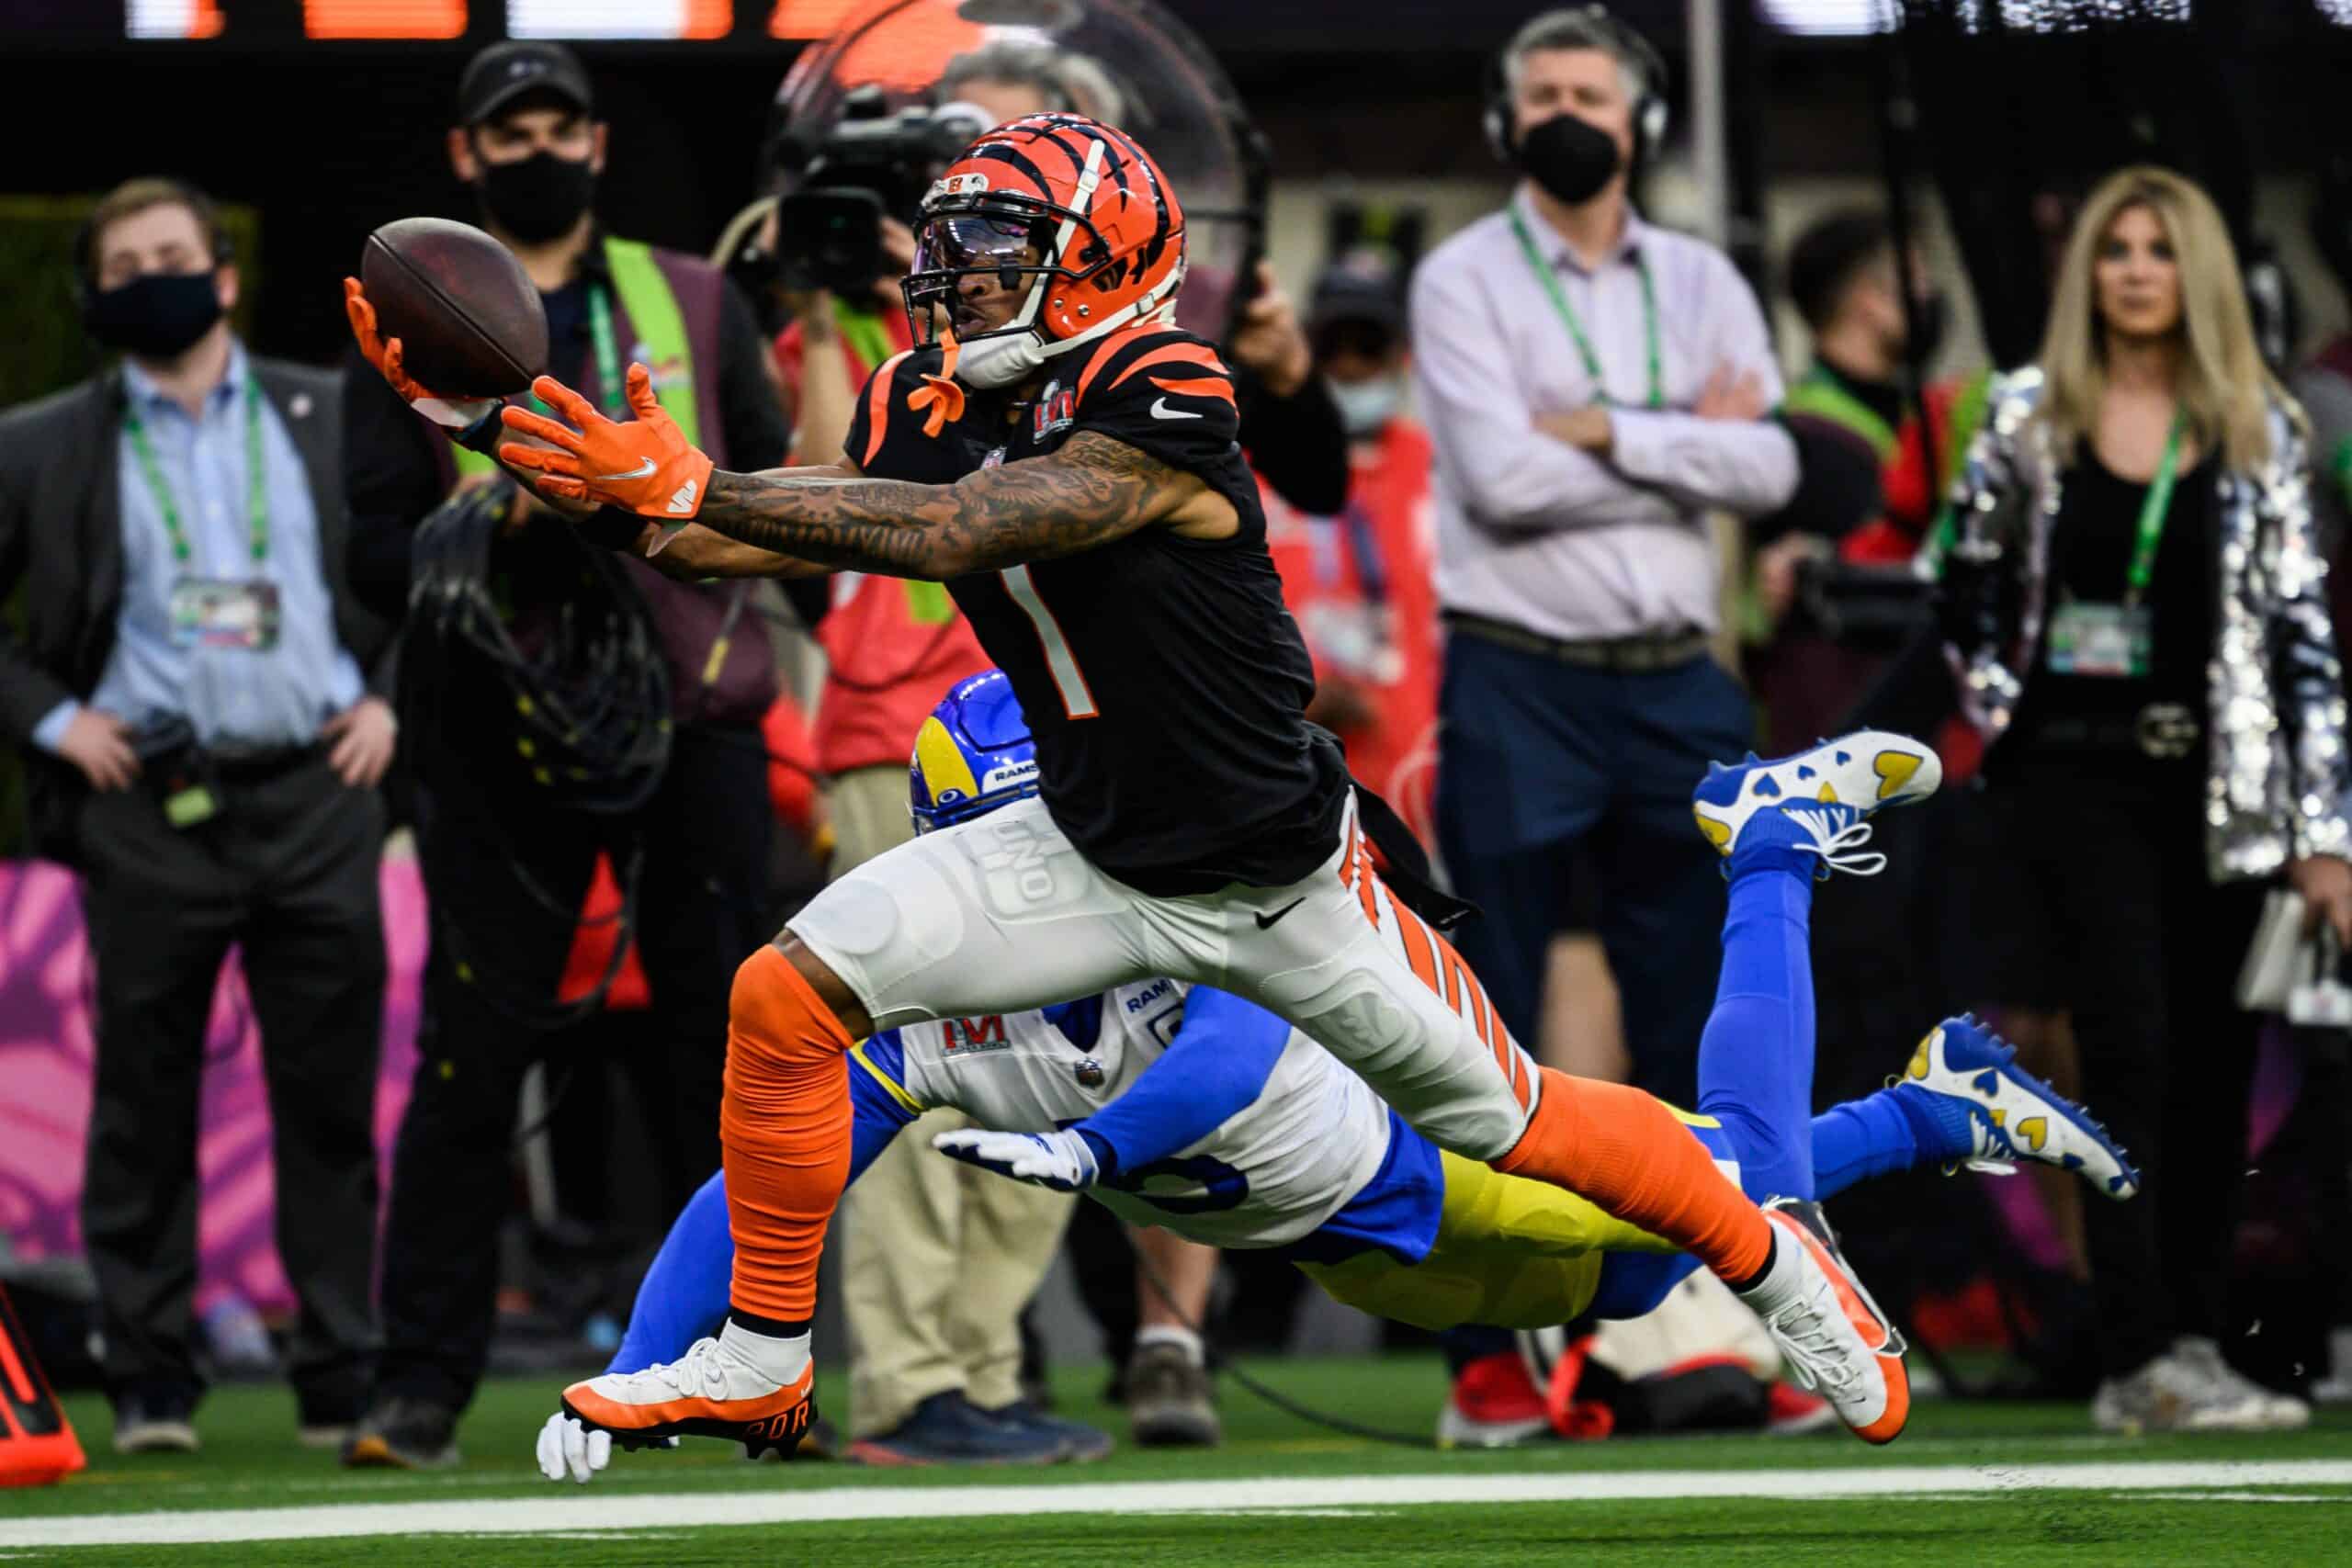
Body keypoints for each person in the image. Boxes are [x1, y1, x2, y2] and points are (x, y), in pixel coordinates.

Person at [363, 108, 1920, 1453]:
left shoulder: (1171, 390)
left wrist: (702, 481)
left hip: (1277, 875)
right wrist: (525, 435)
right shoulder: (934, 389)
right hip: (1091, 845)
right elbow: (756, 531)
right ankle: (763, 1357)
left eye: (998, 250)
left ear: (1100, 262)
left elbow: (965, 529)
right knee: (784, 998)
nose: (956, 276)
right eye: (953, 246)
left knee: (1521, 1122)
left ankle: (1779, 1265)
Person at [531, 671, 2139, 1482]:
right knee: (1666, 1255)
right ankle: (1934, 1102)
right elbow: (763, 1178)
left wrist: (1096, 1149)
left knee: (1741, 1196)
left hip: (1439, 1157)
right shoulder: (931, 1005)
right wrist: (649, 1362)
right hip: (1354, 1242)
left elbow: (1227, 1049)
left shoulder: (1176, 895)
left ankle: (1772, 847)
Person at [772, 47, 1347, 1464]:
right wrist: (832, 300)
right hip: (902, 704)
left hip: (1081, 723)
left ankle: (977, 1364)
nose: (973, 215)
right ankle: (910, 1378)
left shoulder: (1132, 341)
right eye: (957, 168)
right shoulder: (871, 305)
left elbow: (1299, 468)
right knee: (914, 1042)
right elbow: (808, 501)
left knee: (1064, 1053)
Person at [337, 40, 791, 1468]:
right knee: (470, 1057)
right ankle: (418, 1388)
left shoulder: (697, 297)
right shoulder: (402, 314)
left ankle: (743, 1372)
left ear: (597, 143)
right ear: (465, 156)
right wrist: (502, 515)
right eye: (510, 129)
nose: (538, 147)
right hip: (496, 731)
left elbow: (778, 499)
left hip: (699, 713)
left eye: (559, 125)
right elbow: (369, 555)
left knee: (725, 1054)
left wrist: (659, 501)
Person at [1939, 164, 2352, 1433]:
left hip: (2218, 793)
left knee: (2217, 1071)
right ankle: (2132, 1352)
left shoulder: (2257, 424)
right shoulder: (2025, 414)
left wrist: (2325, 833)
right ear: (2088, 272)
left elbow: (2301, 638)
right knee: (2126, 1047)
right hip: (2071, 784)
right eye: (2115, 248)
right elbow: (1963, 591)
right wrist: (2009, 716)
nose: (2133, 270)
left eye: (2158, 250)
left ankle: (2195, 1341)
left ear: (2198, 273)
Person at [0, 177, 394, 1454]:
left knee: (328, 1101)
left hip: (318, 791)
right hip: (146, 803)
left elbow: (422, 572)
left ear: (223, 277)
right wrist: (55, 720)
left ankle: (340, 1376)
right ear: (93, 296)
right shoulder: (39, 443)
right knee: (142, 1099)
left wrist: (388, 699)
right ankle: (152, 1382)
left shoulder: (329, 412)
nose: (150, 278)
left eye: (171, 256)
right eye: (123, 266)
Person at [1411, 6, 1797, 1119]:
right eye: (1544, 98)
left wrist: (1603, 430)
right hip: (1516, 680)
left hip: (1677, 682)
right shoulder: (1460, 278)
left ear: (1641, 123)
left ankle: (1689, 1224)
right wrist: (1687, 442)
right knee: (1491, 1000)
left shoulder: (1701, 279)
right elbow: (1502, 482)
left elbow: (1770, 469)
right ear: (1506, 121)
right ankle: (1498, 1231)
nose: (1566, 116)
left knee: (1700, 998)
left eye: (1589, 98)